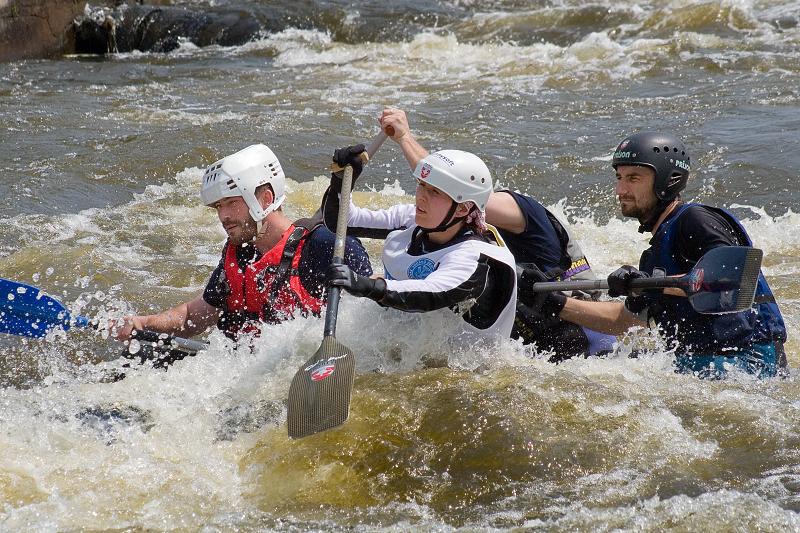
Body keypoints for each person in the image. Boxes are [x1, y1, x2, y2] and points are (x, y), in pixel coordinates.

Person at [528, 131, 788, 378]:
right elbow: (625, 321)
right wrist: (555, 303)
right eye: (619, 178)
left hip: (749, 363)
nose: (620, 190)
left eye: (633, 178)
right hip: (704, 361)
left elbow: (734, 282)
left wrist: (653, 287)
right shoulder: (654, 256)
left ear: (667, 180)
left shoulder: (696, 220)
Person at [377, 108, 616, 361]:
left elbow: (446, 186)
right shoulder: (465, 229)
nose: (426, 194)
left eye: (436, 190)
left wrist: (405, 138)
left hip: (580, 333)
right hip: (524, 330)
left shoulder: (515, 211)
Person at [112, 143, 373, 343]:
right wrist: (145, 322)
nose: (223, 216)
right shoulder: (240, 252)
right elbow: (195, 316)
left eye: (232, 203)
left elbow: (373, 318)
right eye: (218, 206)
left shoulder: (326, 245)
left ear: (265, 199)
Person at [323, 145, 518, 346]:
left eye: (434, 192)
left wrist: (365, 285)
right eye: (422, 185)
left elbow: (429, 293)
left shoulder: (476, 258)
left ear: (462, 209)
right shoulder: (414, 219)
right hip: (406, 339)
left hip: (461, 362)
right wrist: (340, 181)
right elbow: (342, 220)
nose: (420, 196)